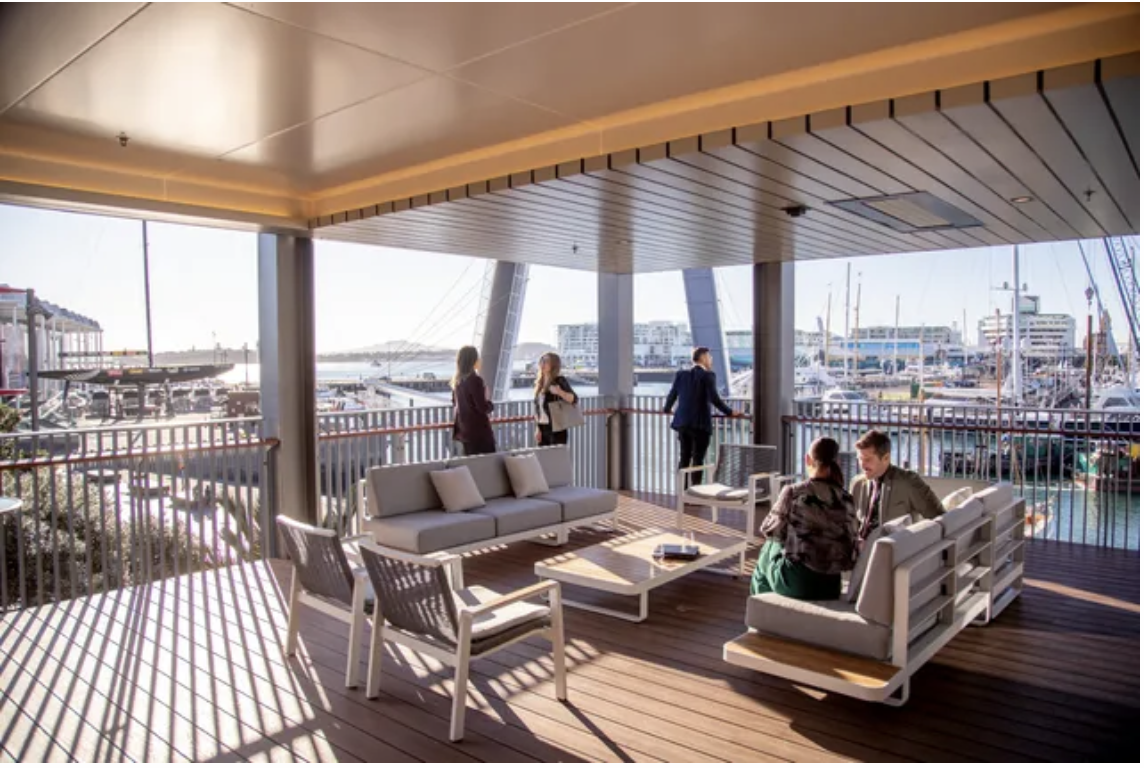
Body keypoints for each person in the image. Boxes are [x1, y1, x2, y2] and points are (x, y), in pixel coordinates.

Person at [750, 437, 858, 599]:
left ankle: (761, 605)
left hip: (798, 583)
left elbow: (770, 531)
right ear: (838, 462)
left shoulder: (794, 492)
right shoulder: (846, 498)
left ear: (807, 459)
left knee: (768, 548)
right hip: (831, 585)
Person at [663, 347, 741, 488]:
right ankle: (695, 491)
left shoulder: (681, 375)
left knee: (684, 457)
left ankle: (682, 491)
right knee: (698, 459)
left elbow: (672, 394)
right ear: (703, 358)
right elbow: (714, 399)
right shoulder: (708, 376)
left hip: (683, 422)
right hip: (700, 424)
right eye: (709, 357)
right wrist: (730, 412)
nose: (711, 360)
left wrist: (666, 409)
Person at [850, 429, 944, 543]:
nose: (862, 465)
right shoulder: (858, 484)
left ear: (886, 458)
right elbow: (851, 522)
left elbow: (939, 517)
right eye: (860, 459)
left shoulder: (908, 482)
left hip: (895, 548)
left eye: (868, 459)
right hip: (859, 547)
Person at [450, 346, 496, 456]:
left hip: (465, 432)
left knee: (471, 463)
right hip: (479, 433)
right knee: (488, 462)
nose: (480, 360)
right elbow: (483, 408)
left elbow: (454, 402)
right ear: (473, 361)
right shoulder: (475, 380)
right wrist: (488, 401)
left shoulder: (457, 381)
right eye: (477, 357)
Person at [533, 352, 579, 447]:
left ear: (553, 364)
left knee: (556, 455)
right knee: (542, 456)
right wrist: (538, 428)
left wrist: (559, 392)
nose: (542, 363)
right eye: (541, 360)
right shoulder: (540, 383)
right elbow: (538, 409)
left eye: (546, 361)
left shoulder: (559, 380)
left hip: (557, 427)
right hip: (543, 428)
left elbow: (574, 399)